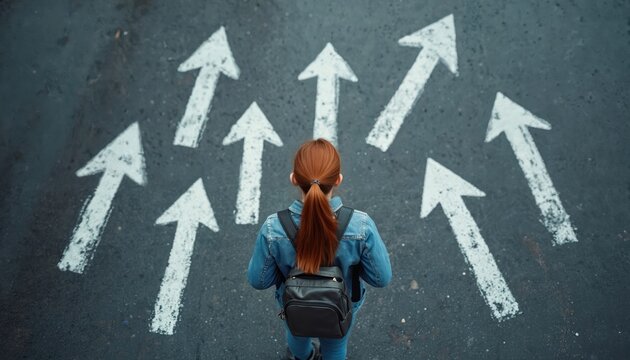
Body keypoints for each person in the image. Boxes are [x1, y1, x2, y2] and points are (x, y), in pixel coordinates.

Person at [247, 138, 392, 360]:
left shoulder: (273, 228)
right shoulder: (360, 225)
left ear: (294, 179)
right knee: (335, 345)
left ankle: (302, 356)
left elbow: (258, 280)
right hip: (341, 303)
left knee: (297, 335)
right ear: (338, 180)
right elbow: (381, 278)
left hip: (294, 301)